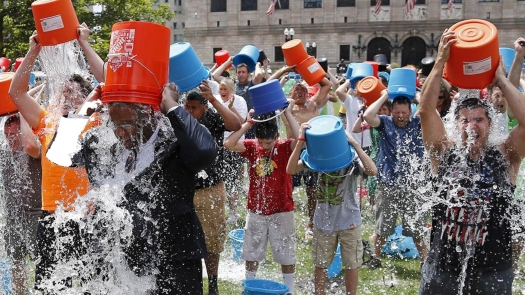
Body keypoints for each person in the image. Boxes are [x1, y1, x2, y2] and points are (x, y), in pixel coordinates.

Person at [73, 83, 217, 294]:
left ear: (148, 113)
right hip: (121, 262)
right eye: (115, 125)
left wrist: (171, 106)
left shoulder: (175, 143)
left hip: (174, 262)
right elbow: (60, 154)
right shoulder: (107, 148)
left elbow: (204, 152)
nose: (120, 132)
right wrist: (86, 107)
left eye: (127, 124)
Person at [418, 29, 525, 294]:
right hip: (443, 267)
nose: (471, 126)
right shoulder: (443, 152)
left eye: (479, 119)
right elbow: (425, 109)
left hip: (493, 270)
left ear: (490, 125)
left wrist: (500, 78)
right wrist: (441, 61)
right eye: (464, 120)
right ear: (456, 125)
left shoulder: (506, 153)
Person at [8, 28, 104, 293]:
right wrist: (33, 50)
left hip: (87, 214)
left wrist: (84, 43)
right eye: (62, 92)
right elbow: (16, 93)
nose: (64, 96)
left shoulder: (93, 119)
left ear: (85, 98)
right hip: (52, 214)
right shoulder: (47, 122)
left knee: (90, 286)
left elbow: (110, 82)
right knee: (50, 286)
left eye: (72, 92)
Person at [286, 122, 377, 295]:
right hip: (323, 222)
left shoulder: (351, 160)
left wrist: (356, 145)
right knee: (321, 263)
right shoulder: (316, 159)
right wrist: (300, 141)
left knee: (352, 264)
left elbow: (372, 171)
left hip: (349, 221)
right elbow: (290, 169)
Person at [223, 102, 299, 294]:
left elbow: (299, 139)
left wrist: (287, 113)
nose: (264, 147)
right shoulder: (252, 147)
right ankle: (249, 285)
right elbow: (228, 143)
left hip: (282, 209)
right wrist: (248, 123)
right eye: (261, 142)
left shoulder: (283, 148)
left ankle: (289, 289)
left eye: (268, 143)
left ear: (277, 137)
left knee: (286, 253)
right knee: (251, 252)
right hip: (256, 209)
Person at [183, 81, 241, 295]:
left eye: (194, 107)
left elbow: (236, 125)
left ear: (204, 108)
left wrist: (215, 99)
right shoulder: (178, 120)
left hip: (211, 189)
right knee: (187, 239)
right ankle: (193, 283)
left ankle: (213, 285)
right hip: (186, 189)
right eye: (187, 107)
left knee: (212, 240)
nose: (189, 111)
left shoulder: (212, 118)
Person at [363, 90, 428, 268]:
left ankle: (425, 261)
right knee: (382, 227)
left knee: (416, 228)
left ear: (410, 111)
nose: (400, 116)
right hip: (388, 183)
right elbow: (368, 115)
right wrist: (384, 96)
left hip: (413, 184)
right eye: (397, 112)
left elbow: (432, 114)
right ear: (391, 112)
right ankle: (375, 258)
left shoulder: (417, 122)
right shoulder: (385, 123)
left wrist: (418, 97)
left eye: (404, 113)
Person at [270, 67, 332, 239]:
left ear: (308, 93)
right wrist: (285, 69)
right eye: (296, 90)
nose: (300, 92)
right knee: (285, 190)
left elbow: (326, 85)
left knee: (312, 191)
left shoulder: (313, 104)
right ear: (289, 93)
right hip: (290, 153)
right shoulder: (284, 107)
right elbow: (269, 84)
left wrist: (309, 71)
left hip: (311, 153)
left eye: (303, 89)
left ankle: (311, 224)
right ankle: (283, 224)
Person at [0, 114, 41, 295]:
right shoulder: (4, 154)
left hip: (36, 215)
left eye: (15, 134)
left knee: (42, 262)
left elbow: (33, 144)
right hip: (13, 216)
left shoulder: (34, 151)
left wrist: (24, 113)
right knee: (16, 263)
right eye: (7, 135)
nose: (11, 139)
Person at [215, 78, 248, 224]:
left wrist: (231, 107)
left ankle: (234, 212)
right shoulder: (215, 100)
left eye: (225, 89)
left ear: (231, 90)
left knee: (234, 180)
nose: (222, 92)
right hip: (219, 145)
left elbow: (242, 123)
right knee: (221, 180)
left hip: (235, 145)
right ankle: (222, 210)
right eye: (220, 89)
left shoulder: (240, 101)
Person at [213, 56, 264, 139]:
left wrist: (257, 65)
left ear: (248, 73)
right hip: (235, 123)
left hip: (250, 124)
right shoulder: (232, 84)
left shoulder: (252, 84)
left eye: (243, 72)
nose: (241, 74)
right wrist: (228, 62)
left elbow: (259, 75)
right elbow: (215, 76)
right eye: (239, 72)